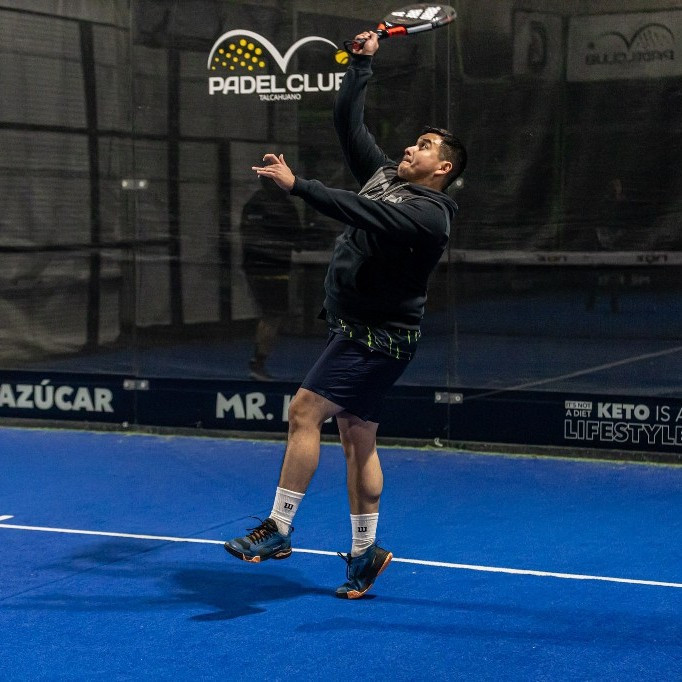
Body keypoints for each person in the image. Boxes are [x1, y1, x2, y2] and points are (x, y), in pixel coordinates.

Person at [224, 31, 467, 599]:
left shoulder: (431, 215)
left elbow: (356, 210)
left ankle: (278, 528)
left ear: (442, 168)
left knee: (304, 411)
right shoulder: (386, 177)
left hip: (376, 337)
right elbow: (348, 124)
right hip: (366, 331)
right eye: (414, 141)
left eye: (425, 146)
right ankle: (364, 554)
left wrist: (298, 186)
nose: (411, 147)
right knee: (357, 436)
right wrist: (360, 64)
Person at [240, 175, 302, 380]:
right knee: (272, 315)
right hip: (274, 270)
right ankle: (258, 362)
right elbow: (297, 238)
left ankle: (258, 361)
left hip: (256, 268)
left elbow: (247, 235)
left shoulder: (254, 203)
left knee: (270, 314)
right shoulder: (283, 206)